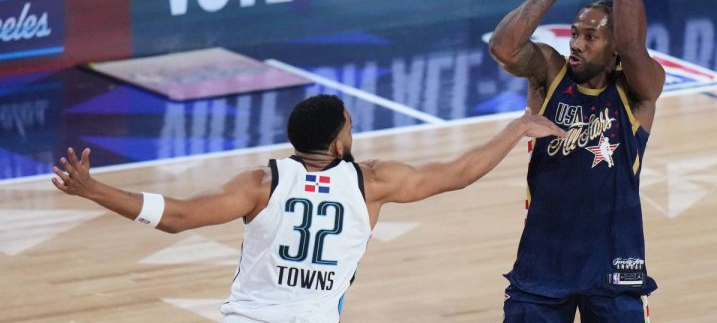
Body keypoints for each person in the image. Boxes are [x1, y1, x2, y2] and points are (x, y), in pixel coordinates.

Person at [51, 93, 565, 323]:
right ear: (338, 143)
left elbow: (177, 216)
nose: (354, 131)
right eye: (349, 126)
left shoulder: (262, 182)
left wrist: (93, 190)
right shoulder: (371, 182)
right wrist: (517, 127)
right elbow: (460, 174)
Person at [488, 0, 665, 323]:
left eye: (591, 37)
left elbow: (633, 46)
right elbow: (503, 48)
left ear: (614, 48)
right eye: (574, 33)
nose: (577, 44)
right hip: (543, 264)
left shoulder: (637, 91)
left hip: (614, 268)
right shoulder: (551, 73)